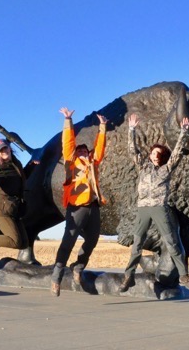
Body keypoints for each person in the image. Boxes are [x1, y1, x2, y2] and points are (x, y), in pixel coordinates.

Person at [119, 114, 189, 292]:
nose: (154, 155)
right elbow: (133, 151)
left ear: (162, 156)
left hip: (160, 208)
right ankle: (128, 276)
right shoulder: (143, 167)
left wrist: (184, 131)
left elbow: (177, 152)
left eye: (157, 153)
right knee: (137, 244)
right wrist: (131, 130)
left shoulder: (166, 169)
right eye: (152, 153)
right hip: (143, 209)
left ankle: (184, 275)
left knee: (171, 242)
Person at [50, 108, 107, 297]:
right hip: (76, 207)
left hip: (93, 207)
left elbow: (99, 149)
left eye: (85, 150)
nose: (82, 152)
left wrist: (103, 127)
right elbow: (68, 143)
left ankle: (78, 266)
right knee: (69, 240)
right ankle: (56, 276)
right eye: (80, 150)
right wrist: (68, 121)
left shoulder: (93, 163)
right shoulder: (71, 162)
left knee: (92, 240)